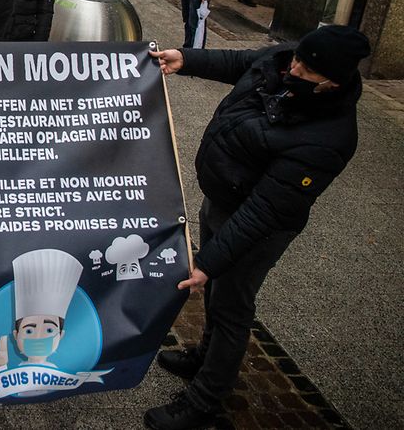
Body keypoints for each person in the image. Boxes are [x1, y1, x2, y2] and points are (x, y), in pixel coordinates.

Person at [144, 25, 371, 430]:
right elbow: (245, 62)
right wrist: (188, 59)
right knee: (216, 293)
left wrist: (207, 262)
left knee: (232, 308)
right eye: (297, 57)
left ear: (332, 83)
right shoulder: (292, 60)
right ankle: (204, 354)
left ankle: (205, 399)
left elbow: (263, 212)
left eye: (306, 70)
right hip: (224, 197)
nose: (293, 68)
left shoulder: (328, 139)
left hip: (256, 227)